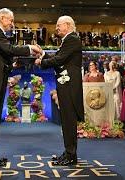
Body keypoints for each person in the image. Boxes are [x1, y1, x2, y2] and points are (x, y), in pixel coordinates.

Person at [0, 8, 42, 167]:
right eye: (11, 20)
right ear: (1, 18)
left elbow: (3, 56)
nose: (12, 24)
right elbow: (9, 49)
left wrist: (13, 64)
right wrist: (29, 48)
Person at [35, 15, 84, 166]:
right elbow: (59, 57)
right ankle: (69, 152)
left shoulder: (72, 39)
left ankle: (71, 155)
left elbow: (59, 60)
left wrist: (42, 63)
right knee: (67, 121)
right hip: (65, 85)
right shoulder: (68, 40)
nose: (56, 28)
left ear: (68, 25)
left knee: (69, 121)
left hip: (69, 87)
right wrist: (43, 55)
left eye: (58, 25)